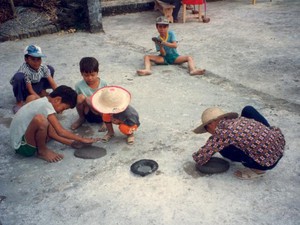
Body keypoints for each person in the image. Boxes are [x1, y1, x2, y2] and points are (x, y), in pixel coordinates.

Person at [9, 85, 100, 163]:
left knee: (47, 121)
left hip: (24, 137)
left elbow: (52, 133)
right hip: (22, 146)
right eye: (64, 108)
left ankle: (43, 145)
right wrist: (82, 139)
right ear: (57, 100)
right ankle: (42, 151)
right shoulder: (46, 106)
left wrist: (71, 143)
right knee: (41, 120)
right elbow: (60, 131)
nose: (61, 112)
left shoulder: (45, 102)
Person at [192, 106, 285, 179]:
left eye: (206, 128)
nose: (208, 132)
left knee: (223, 149)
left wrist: (198, 159)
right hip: (278, 144)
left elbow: (201, 157)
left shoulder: (221, 134)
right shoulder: (240, 120)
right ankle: (267, 135)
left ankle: (258, 170)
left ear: (210, 124)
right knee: (248, 110)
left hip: (267, 162)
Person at [137, 16, 205, 76]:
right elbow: (163, 54)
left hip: (175, 57)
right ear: (157, 27)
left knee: (189, 57)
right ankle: (147, 70)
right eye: (160, 27)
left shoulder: (171, 34)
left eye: (164, 27)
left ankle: (192, 70)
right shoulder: (157, 39)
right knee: (146, 57)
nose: (162, 29)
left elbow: (175, 45)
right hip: (163, 58)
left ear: (168, 27)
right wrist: (160, 45)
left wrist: (163, 43)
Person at [10, 45, 57, 114]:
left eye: (38, 59)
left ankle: (42, 91)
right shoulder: (24, 70)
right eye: (33, 59)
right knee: (18, 77)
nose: (36, 62)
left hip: (36, 84)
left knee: (50, 69)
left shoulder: (43, 67)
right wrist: (41, 101)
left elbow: (52, 82)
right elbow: (30, 90)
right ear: (26, 59)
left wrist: (58, 93)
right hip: (26, 89)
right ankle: (19, 102)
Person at [71, 57, 108, 131]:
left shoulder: (103, 83)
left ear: (97, 72)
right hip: (88, 113)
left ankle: (106, 121)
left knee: (94, 98)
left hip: (102, 113)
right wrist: (88, 103)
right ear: (81, 74)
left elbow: (106, 99)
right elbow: (78, 102)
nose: (90, 78)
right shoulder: (78, 85)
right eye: (86, 75)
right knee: (81, 97)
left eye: (92, 75)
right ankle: (81, 118)